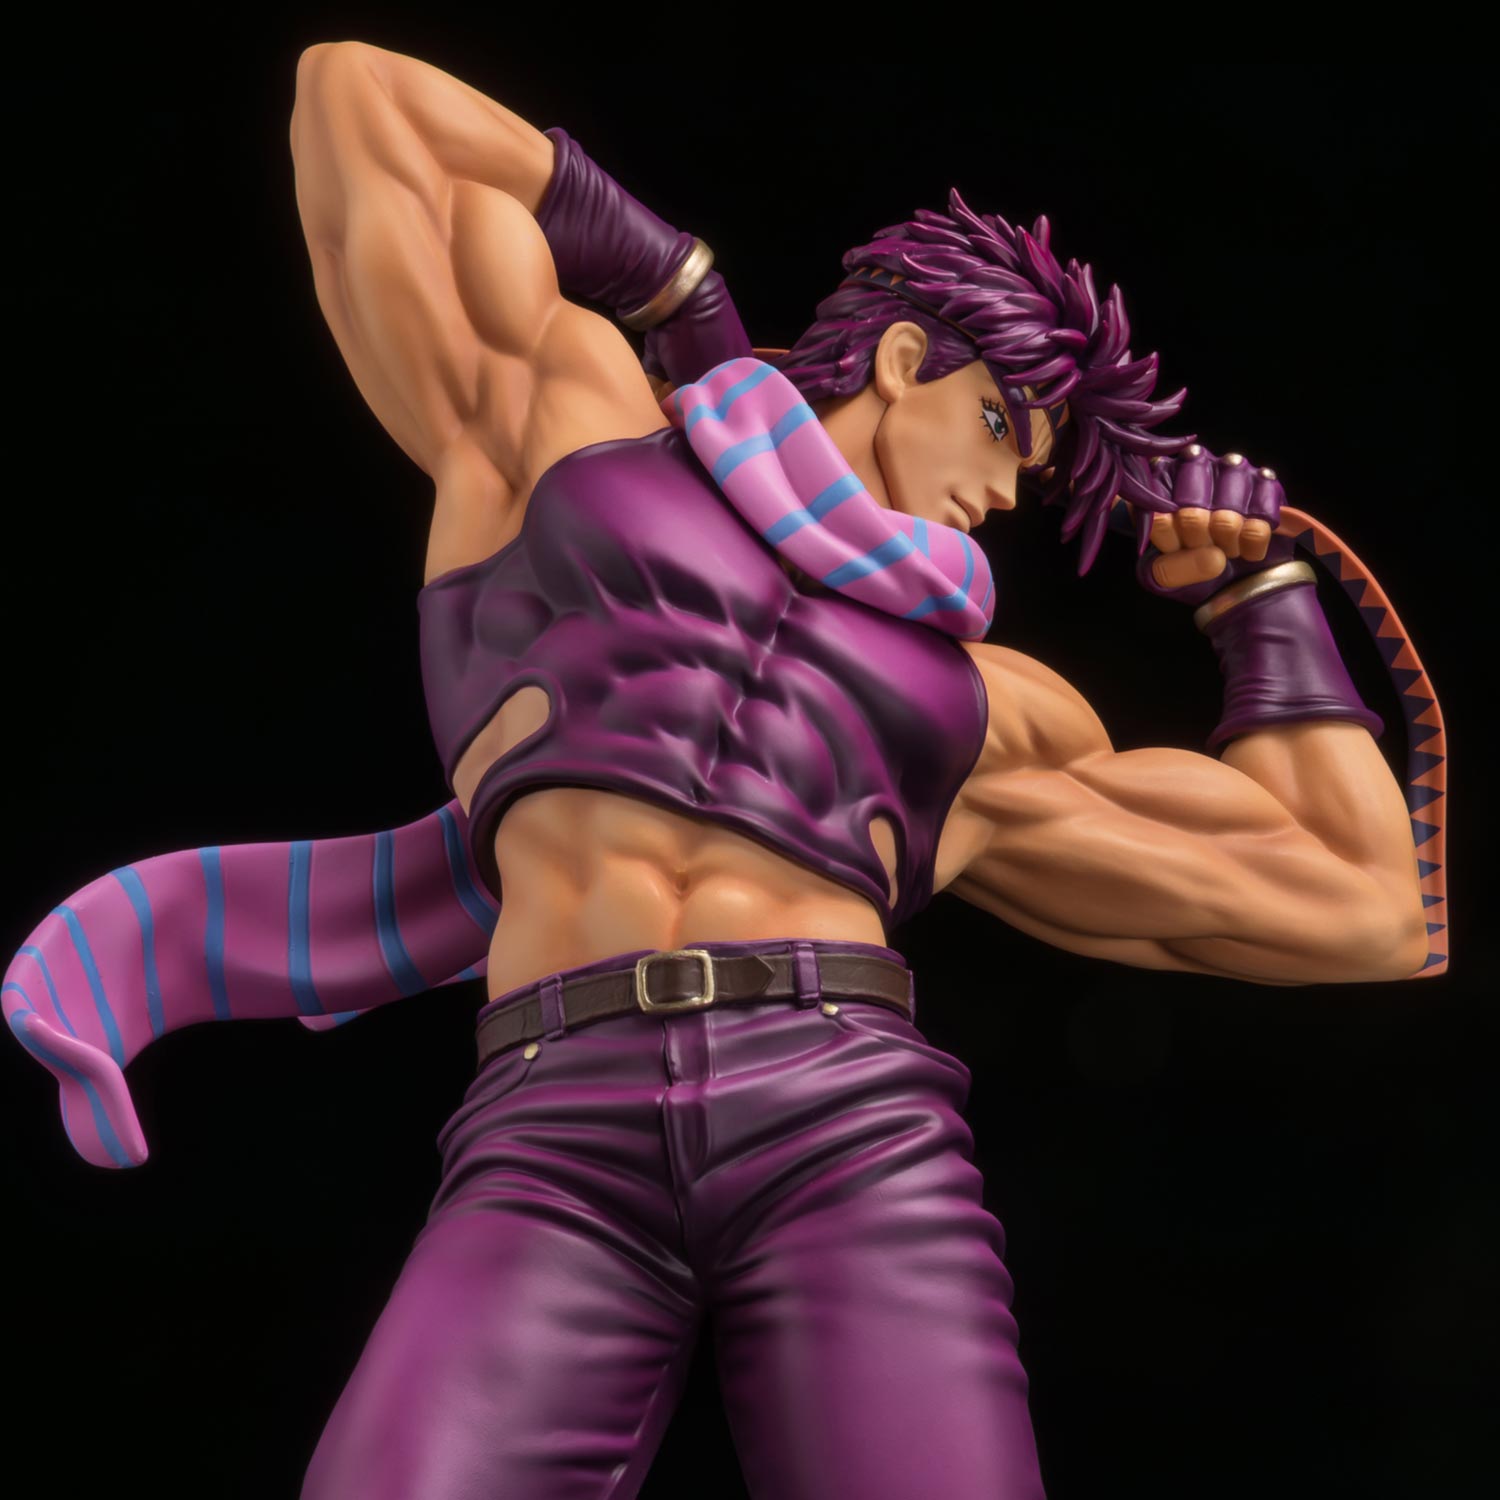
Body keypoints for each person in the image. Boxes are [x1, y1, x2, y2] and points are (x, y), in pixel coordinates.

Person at [3, 41, 1440, 1500]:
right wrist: (672, 287)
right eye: (1004, 426)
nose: (1005, 492)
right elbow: (358, 100)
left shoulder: (979, 706)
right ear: (904, 361)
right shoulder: (578, 448)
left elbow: (1357, 905)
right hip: (557, 1120)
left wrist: (1262, 606)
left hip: (847, 1119)